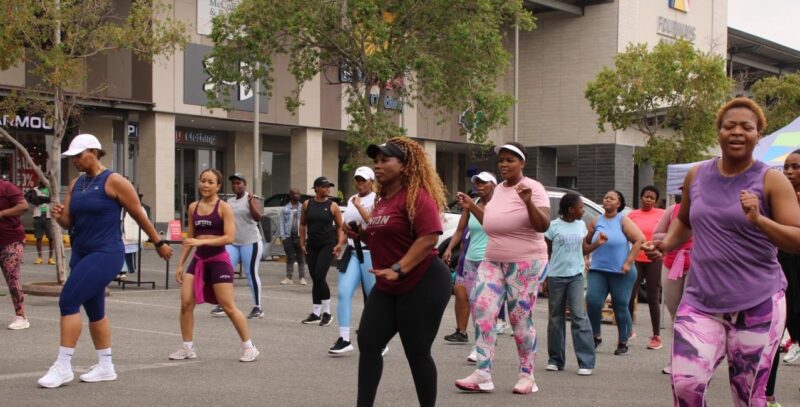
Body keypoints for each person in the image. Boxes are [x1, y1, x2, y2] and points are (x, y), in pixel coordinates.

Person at [644, 98, 800, 406]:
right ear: (718, 132)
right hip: (701, 300)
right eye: (729, 126)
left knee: (747, 395)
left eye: (747, 127)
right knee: (686, 387)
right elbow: (686, 222)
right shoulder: (697, 176)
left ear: (759, 134)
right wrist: (665, 243)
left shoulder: (771, 179)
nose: (738, 132)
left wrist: (759, 219)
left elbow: (796, 238)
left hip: (758, 302)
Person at [37, 133, 173, 388]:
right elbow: (68, 222)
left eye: (78, 156)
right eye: (73, 157)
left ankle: (63, 365)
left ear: (94, 152)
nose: (75, 161)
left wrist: (159, 242)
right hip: (82, 251)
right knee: (95, 310)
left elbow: (139, 214)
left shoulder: (115, 181)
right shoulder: (77, 183)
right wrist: (59, 216)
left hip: (106, 252)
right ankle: (106, 366)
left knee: (68, 300)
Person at [356, 137, 451, 407]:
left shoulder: (417, 195)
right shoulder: (383, 200)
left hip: (424, 281)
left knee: (417, 352)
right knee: (369, 342)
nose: (378, 166)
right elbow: (387, 240)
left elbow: (428, 238)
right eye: (375, 161)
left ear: (405, 166)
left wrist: (399, 268)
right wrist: (362, 234)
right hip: (389, 283)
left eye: (385, 160)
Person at [455, 142, 551, 395]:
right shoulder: (497, 191)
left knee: (519, 318)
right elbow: (491, 221)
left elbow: (543, 225)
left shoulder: (534, 188)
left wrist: (528, 202)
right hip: (492, 259)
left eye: (510, 160)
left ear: (522, 163)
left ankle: (527, 375)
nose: (504, 164)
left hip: (526, 263)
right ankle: (483, 374)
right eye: (502, 160)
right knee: (483, 310)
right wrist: (471, 206)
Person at [169, 168, 259, 363]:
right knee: (185, 304)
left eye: (210, 182)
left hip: (218, 261)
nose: (205, 185)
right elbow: (190, 237)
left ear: (218, 186)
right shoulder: (193, 207)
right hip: (198, 261)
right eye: (203, 181)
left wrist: (201, 242)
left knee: (228, 306)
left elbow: (229, 237)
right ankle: (187, 347)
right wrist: (180, 263)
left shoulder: (223, 207)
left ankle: (249, 347)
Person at [441, 171, 496, 360]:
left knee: (481, 304)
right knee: (463, 294)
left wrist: (471, 205)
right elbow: (459, 230)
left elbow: (490, 224)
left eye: (484, 183)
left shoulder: (498, 206)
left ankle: (480, 346)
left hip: (489, 260)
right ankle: (468, 334)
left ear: (493, 186)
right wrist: (449, 248)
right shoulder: (471, 206)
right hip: (471, 259)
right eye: (477, 183)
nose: (479, 186)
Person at [585, 190, 644, 357]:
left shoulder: (623, 220)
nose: (607, 199)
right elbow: (586, 242)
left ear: (618, 204)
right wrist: (587, 258)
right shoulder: (596, 221)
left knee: (620, 305)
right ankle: (596, 336)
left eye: (611, 198)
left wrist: (628, 262)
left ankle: (623, 341)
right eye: (605, 197)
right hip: (598, 270)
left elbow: (639, 239)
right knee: (593, 302)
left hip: (621, 271)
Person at [544, 192, 596, 375]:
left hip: (575, 276)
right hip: (556, 276)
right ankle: (555, 360)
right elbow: (547, 253)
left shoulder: (581, 226)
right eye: (581, 207)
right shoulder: (552, 227)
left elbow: (583, 250)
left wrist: (597, 244)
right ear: (571, 209)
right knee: (555, 317)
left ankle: (586, 362)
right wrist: (544, 276)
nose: (583, 211)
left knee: (579, 316)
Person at [765, 148, 800, 407]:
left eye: (795, 167)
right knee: (774, 332)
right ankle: (767, 395)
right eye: (786, 166)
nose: (789, 171)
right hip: (780, 269)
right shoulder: (775, 199)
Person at [329, 166, 377, 354]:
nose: (359, 183)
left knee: (373, 299)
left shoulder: (377, 199)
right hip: (353, 252)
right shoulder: (351, 199)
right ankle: (344, 338)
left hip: (370, 253)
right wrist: (341, 242)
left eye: (363, 180)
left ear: (371, 181)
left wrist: (359, 206)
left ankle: (378, 340)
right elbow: (343, 224)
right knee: (343, 292)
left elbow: (373, 223)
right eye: (357, 179)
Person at [211, 173, 264, 319]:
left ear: (245, 184)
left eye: (238, 183)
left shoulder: (252, 198)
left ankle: (257, 307)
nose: (236, 186)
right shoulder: (229, 201)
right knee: (224, 270)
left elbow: (258, 217)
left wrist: (251, 202)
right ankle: (223, 304)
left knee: (250, 273)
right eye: (233, 183)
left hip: (251, 241)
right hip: (233, 243)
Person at [652, 191, 692, 375]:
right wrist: (674, 236)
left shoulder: (707, 210)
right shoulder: (672, 210)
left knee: (692, 314)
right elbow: (656, 234)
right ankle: (676, 360)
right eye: (684, 190)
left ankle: (695, 360)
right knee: (676, 315)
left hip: (698, 265)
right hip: (672, 263)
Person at [299, 176, 346, 326]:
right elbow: (302, 225)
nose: (328, 189)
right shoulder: (307, 204)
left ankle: (327, 313)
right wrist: (302, 243)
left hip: (328, 244)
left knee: (319, 275)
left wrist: (339, 243)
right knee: (315, 278)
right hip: (312, 245)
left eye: (329, 186)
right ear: (317, 188)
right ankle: (316, 313)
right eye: (325, 186)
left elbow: (340, 226)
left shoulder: (333, 206)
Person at [626, 185, 665, 349]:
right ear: (641, 197)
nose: (649, 200)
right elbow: (626, 234)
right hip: (636, 258)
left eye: (652, 198)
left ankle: (656, 336)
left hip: (654, 259)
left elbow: (668, 233)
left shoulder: (662, 215)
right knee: (629, 295)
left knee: (652, 296)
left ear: (656, 200)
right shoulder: (632, 215)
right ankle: (627, 331)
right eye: (646, 196)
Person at [1, 178, 30, 330]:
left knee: (11, 277)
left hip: (11, 240)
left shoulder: (7, 188)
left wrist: (2, 213)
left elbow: (24, 206)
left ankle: (21, 316)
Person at [279, 188, 307, 285]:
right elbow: (281, 222)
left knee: (301, 257)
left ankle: (302, 277)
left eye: (299, 194)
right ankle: (289, 277)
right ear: (290, 195)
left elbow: (306, 223)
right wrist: (282, 237)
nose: (298, 195)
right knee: (290, 257)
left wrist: (306, 236)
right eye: (295, 194)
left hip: (300, 237)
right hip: (288, 236)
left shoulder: (303, 207)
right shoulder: (285, 208)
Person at [32, 182, 55, 265]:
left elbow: (52, 199)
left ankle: (51, 258)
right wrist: (47, 199)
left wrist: (40, 198)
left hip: (48, 216)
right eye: (40, 180)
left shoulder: (51, 190)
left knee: (51, 238)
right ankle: (40, 257)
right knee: (39, 237)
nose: (42, 181)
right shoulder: (35, 189)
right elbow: (35, 200)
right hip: (37, 216)